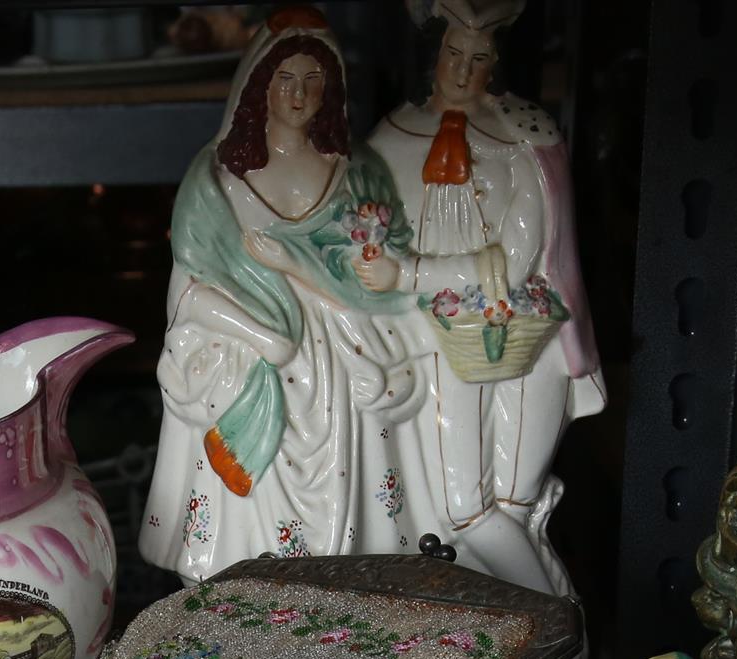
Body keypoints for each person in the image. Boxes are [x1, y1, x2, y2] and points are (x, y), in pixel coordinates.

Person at [142, 9, 438, 580]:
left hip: (343, 358)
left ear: (332, 89)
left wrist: (299, 270)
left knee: (352, 526)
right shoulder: (215, 179)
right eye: (285, 79)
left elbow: (385, 279)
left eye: (313, 80)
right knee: (246, 526)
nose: (299, 95)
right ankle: (241, 595)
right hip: (245, 357)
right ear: (259, 86)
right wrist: (263, 336)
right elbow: (188, 296)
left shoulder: (359, 174)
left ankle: (344, 594)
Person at [368, 0, 605, 610]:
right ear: (434, 57)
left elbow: (524, 252)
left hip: (529, 336)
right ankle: (555, 630)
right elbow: (373, 252)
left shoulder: (526, 135)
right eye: (454, 54)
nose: (464, 69)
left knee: (516, 502)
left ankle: (538, 639)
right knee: (465, 510)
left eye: (479, 58)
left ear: (495, 63)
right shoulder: (392, 138)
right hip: (437, 346)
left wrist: (422, 271)